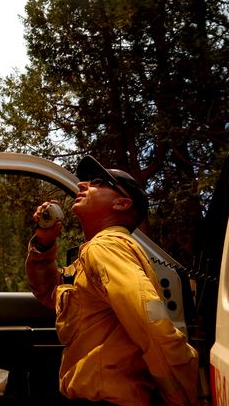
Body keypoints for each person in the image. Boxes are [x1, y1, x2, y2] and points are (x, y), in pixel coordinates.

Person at [26, 155, 199, 405]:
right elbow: (49, 292)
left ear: (121, 203)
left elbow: (148, 320)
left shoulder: (106, 247)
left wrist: (179, 396)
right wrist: (43, 242)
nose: (82, 185)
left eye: (96, 182)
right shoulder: (96, 252)